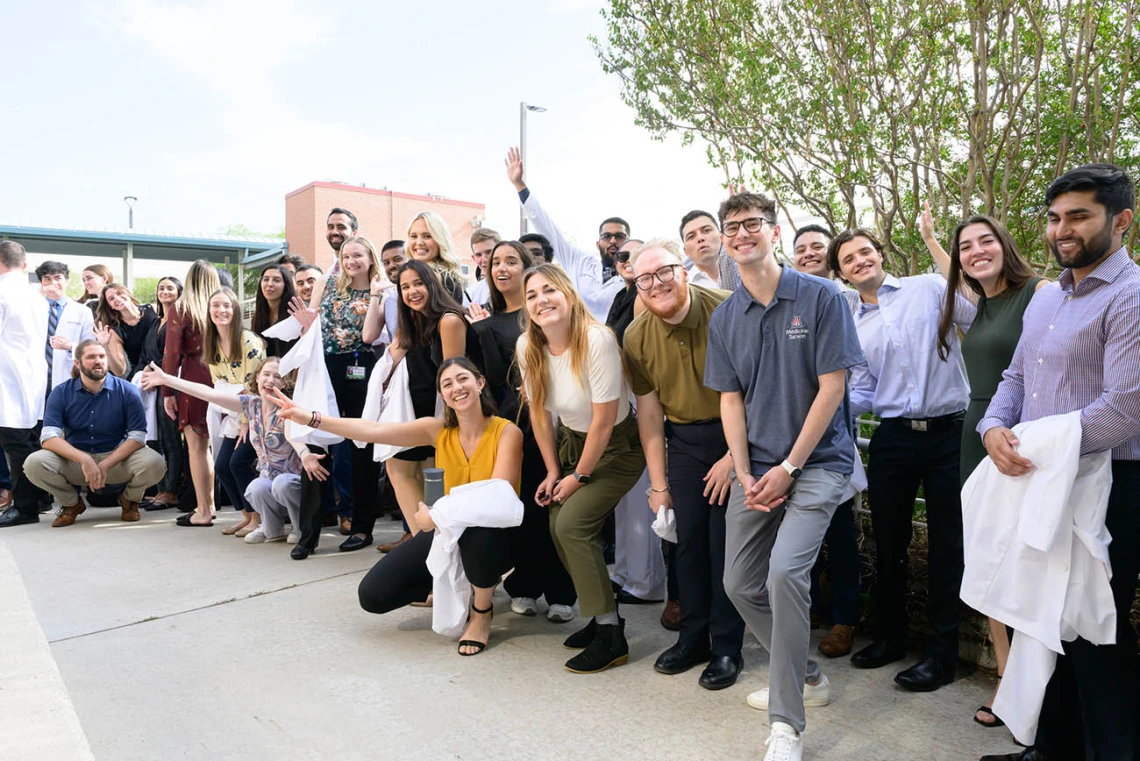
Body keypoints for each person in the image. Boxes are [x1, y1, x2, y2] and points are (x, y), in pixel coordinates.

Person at [977, 164, 1140, 761]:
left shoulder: (1131, 296)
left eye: (1078, 216)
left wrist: (1038, 448)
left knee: (1094, 627)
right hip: (1044, 480)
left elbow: (1125, 408)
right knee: (1044, 620)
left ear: (1121, 220)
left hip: (1111, 483)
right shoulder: (1048, 299)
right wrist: (994, 426)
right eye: (1054, 218)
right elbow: (1015, 377)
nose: (1061, 229)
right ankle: (1051, 749)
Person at [705, 192, 864, 760]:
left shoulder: (822, 296)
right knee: (738, 584)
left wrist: (790, 467)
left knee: (784, 575)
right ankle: (809, 675)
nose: (741, 233)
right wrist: (746, 472)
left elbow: (833, 388)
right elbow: (730, 400)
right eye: (732, 227)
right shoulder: (725, 316)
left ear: (774, 231)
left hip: (818, 464)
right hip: (758, 468)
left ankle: (786, 723)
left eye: (752, 224)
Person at [272, 357, 521, 652]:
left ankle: (481, 611)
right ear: (442, 396)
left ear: (480, 383)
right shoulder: (437, 430)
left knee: (480, 535)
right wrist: (311, 418)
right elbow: (373, 429)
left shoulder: (507, 432)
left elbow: (495, 498)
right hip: (446, 532)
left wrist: (437, 515)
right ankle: (448, 588)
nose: (457, 388)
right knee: (373, 596)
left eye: (463, 379)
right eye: (447, 384)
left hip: (494, 536)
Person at [832, 228, 975, 691]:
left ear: (880, 254)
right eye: (849, 258)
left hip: (948, 435)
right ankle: (890, 638)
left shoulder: (928, 287)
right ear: (840, 273)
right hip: (893, 439)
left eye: (866, 251)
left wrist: (937, 245)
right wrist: (817, 416)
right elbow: (864, 389)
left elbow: (973, 314)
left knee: (947, 546)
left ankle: (942, 653)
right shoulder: (851, 323)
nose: (860, 261)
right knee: (888, 542)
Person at [921, 205, 1048, 728]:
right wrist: (932, 238)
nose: (976, 252)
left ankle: (1044, 689)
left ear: (1005, 243)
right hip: (976, 439)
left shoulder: (1041, 294)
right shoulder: (979, 303)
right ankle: (1005, 681)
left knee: (1030, 567)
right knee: (988, 563)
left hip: (1026, 439)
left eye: (985, 241)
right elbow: (958, 272)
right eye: (965, 247)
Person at [623, 239, 745, 690]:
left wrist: (734, 458)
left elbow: (760, 391)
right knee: (686, 545)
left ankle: (727, 647)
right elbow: (651, 414)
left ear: (686, 269)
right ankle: (693, 637)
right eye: (644, 279)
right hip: (686, 443)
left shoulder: (730, 309)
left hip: (740, 437)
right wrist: (658, 483)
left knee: (724, 546)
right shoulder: (635, 336)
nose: (656, 285)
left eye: (665, 272)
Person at [516, 263, 647, 673]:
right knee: (556, 522)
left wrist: (578, 477)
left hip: (618, 446)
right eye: (532, 295)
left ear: (569, 295)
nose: (542, 300)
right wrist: (554, 471)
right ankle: (601, 615)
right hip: (573, 443)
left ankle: (611, 634)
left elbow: (605, 421)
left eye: (549, 290)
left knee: (573, 524)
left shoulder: (597, 340)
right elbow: (539, 414)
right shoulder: (528, 346)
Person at [471, 240, 577, 623]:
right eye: (495, 261)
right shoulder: (482, 324)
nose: (501, 268)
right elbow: (485, 382)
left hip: (552, 424)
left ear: (527, 267)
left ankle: (564, 591)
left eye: (511, 261)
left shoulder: (543, 315)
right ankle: (526, 585)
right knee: (524, 511)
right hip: (510, 429)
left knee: (556, 509)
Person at [143, 357, 318, 545]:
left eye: (277, 376)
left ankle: (300, 527)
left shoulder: (288, 409)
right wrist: (167, 379)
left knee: (281, 484)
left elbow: (294, 437)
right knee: (256, 487)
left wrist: (305, 454)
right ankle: (271, 528)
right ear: (257, 377)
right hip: (269, 479)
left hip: (293, 483)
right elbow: (209, 394)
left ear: (284, 383)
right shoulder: (252, 405)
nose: (270, 380)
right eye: (266, 374)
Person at [790, 224, 864, 659]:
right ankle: (814, 609)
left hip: (833, 440)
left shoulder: (846, 298)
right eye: (800, 249)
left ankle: (845, 618)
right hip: (792, 439)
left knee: (838, 532)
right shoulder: (789, 302)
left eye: (818, 246)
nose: (809, 253)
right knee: (802, 533)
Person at [382, 260, 484, 553]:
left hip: (444, 419)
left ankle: (430, 552)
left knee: (403, 471)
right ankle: (429, 553)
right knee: (416, 480)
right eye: (405, 287)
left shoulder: (449, 320)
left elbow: (455, 379)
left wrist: (453, 434)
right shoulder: (417, 322)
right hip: (422, 414)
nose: (412, 291)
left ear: (433, 284)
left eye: (418, 283)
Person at [294, 235, 384, 552]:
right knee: (316, 439)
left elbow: (369, 335)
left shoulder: (382, 289)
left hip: (361, 368)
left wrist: (374, 296)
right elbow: (310, 326)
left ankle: (362, 527)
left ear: (370, 257)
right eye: (346, 256)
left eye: (357, 255)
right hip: (325, 367)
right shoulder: (327, 283)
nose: (351, 262)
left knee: (361, 445)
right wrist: (305, 324)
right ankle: (308, 536)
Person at [24, 340, 165, 526]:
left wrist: (105, 464)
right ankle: (71, 504)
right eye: (91, 357)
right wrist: (85, 460)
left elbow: (138, 437)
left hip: (117, 459)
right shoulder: (61, 392)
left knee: (155, 463)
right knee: (34, 463)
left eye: (102, 356)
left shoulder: (127, 391)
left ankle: (129, 500)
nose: (98, 361)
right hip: (77, 463)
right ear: (77, 363)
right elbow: (49, 437)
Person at [603, 237, 667, 606]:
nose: (625, 260)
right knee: (626, 496)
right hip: (623, 399)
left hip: (643, 400)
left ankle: (646, 582)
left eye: (635, 255)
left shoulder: (645, 297)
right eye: (621, 256)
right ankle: (626, 573)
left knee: (643, 494)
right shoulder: (620, 297)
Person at [506, 146, 627, 321]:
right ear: (598, 243)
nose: (613, 241)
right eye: (606, 236)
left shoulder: (638, 272)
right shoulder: (580, 263)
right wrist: (519, 185)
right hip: (582, 338)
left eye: (620, 236)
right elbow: (548, 229)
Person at [162, 260, 222, 527]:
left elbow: (171, 352)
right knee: (217, 445)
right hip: (222, 375)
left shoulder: (182, 308)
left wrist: (167, 390)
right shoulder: (223, 305)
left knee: (197, 447)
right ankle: (211, 507)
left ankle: (204, 510)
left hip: (194, 376)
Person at [203, 287, 266, 537]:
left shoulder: (248, 341)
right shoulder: (212, 344)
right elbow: (220, 385)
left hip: (257, 413)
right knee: (222, 467)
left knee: (238, 463)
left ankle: (259, 517)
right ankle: (246, 515)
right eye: (216, 306)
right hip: (233, 413)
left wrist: (246, 421)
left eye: (227, 306)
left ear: (236, 310)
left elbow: (253, 386)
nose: (221, 311)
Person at [0, 241, 50, 528]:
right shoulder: (36, 296)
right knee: (31, 438)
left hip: (7, 375)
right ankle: (40, 498)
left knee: (15, 443)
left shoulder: (3, 292)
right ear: (25, 264)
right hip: (33, 373)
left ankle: (25, 507)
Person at [37, 261, 96, 396]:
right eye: (47, 279)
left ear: (67, 280)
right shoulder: (32, 308)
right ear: (41, 283)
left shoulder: (82, 311)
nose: (53, 283)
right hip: (37, 377)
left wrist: (70, 346)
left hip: (68, 374)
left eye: (58, 278)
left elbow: (90, 345)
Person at [95, 283, 159, 378]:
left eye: (119, 293)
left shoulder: (153, 309)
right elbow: (119, 371)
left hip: (166, 368)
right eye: (111, 299)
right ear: (110, 306)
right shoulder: (116, 331)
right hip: (143, 376)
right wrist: (105, 347)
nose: (117, 298)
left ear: (128, 293)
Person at [406, 211, 469, 304]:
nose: (419, 242)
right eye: (414, 236)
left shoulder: (445, 278)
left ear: (440, 240)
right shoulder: (409, 274)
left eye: (427, 236)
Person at [680, 210, 739, 289]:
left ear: (721, 236)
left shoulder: (742, 267)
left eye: (706, 230)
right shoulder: (686, 287)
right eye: (691, 236)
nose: (700, 238)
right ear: (685, 251)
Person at [251, 264, 297, 356]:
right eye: (266, 279)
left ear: (286, 285)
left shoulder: (295, 316)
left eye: (276, 280)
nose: (270, 284)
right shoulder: (258, 317)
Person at [467, 228, 500, 307]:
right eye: (478, 255)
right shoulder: (471, 295)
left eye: (489, 252)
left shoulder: (518, 286)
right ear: (473, 258)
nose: (484, 259)